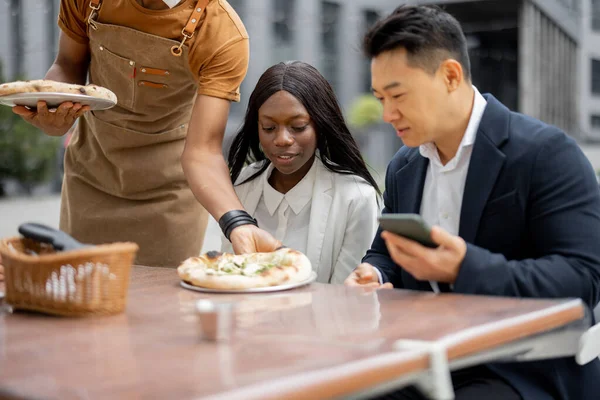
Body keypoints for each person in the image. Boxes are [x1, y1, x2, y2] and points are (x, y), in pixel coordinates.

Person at [345, 5, 600, 400]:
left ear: (450, 75)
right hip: (422, 355)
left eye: (397, 95)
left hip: (521, 365)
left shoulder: (544, 153)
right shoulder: (404, 166)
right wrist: (373, 274)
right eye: (380, 97)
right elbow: (385, 251)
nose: (387, 114)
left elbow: (582, 278)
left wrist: (465, 267)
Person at [8, 0, 281, 269]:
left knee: (155, 305)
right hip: (91, 175)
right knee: (82, 293)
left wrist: (238, 223)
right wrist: (54, 108)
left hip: (168, 193)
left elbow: (203, 152)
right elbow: (68, 62)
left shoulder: (220, 31)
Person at [222, 61, 380, 284]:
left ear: (320, 124)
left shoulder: (356, 197)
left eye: (298, 127)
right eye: (268, 127)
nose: (282, 139)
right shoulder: (241, 186)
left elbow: (348, 297)